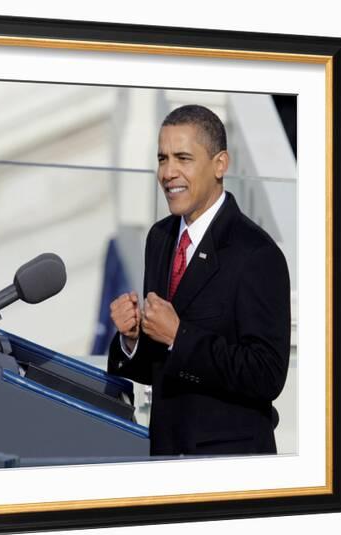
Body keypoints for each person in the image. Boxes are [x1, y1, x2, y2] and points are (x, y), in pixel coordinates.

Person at [107, 104, 291, 456]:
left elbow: (266, 374)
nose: (168, 172)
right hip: (166, 453)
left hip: (228, 465)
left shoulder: (256, 254)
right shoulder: (159, 238)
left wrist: (180, 336)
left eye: (183, 158)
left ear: (220, 164)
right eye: (162, 159)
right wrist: (131, 338)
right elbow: (163, 365)